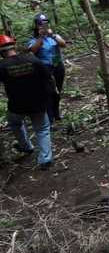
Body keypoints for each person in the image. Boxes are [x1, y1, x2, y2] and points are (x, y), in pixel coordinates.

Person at [0, 35, 54, 171]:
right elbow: (48, 78)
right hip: (38, 103)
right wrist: (49, 97)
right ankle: (45, 159)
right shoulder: (32, 59)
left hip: (16, 106)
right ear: (14, 47)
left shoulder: (2, 66)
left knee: (15, 123)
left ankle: (26, 146)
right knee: (42, 129)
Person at [27, 14, 67, 122]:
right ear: (36, 26)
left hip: (58, 66)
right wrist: (41, 37)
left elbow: (63, 44)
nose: (44, 26)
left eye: (45, 23)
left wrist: (52, 35)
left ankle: (56, 112)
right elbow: (33, 50)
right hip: (45, 68)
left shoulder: (54, 36)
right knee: (48, 92)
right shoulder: (33, 39)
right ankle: (49, 116)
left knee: (58, 90)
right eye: (41, 24)